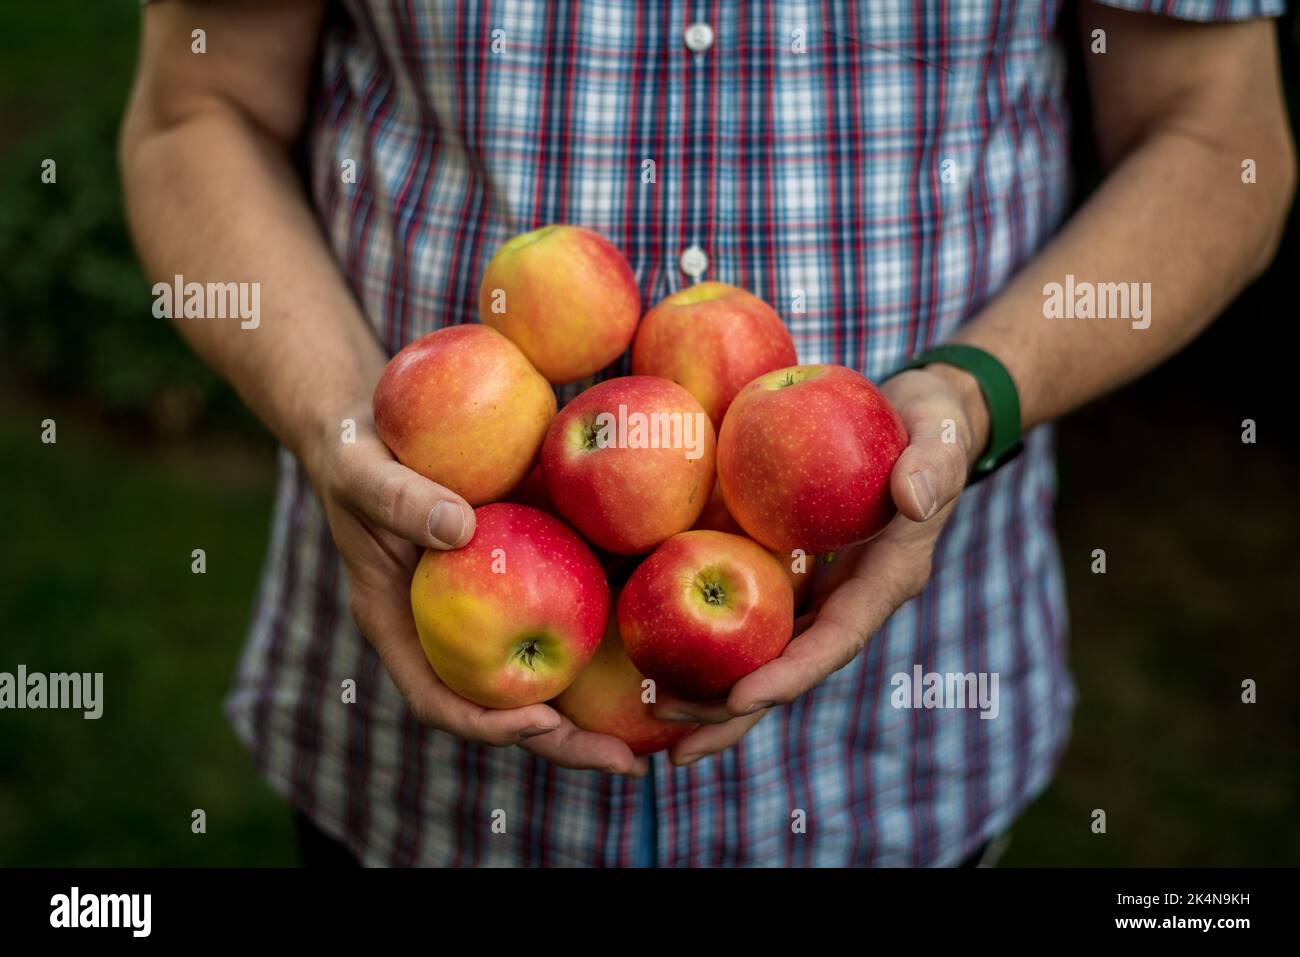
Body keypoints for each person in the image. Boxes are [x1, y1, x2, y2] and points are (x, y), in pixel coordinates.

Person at [120, 0, 1294, 867]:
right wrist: (336, 417)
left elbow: (1217, 140)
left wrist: (975, 391)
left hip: (895, 750)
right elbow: (197, 108)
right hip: (412, 741)